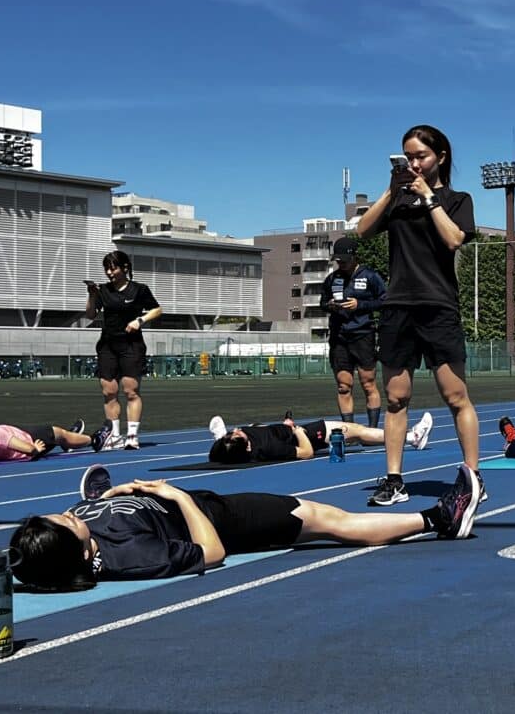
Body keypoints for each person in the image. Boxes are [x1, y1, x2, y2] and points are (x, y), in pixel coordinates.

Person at [7, 462, 481, 591]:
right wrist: (175, 495)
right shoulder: (130, 556)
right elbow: (211, 553)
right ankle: (439, 518)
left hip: (198, 505)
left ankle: (436, 517)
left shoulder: (75, 532)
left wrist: (110, 497)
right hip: (222, 520)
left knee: (324, 519)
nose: (62, 515)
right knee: (327, 520)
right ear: (74, 551)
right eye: (62, 522)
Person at [356, 124, 482, 508]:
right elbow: (362, 231)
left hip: (438, 305)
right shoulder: (396, 199)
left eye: (420, 157)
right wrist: (392, 190)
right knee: (396, 398)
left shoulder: (458, 199)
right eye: (408, 157)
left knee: (455, 395)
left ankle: (472, 478)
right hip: (398, 307)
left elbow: (454, 239)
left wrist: (428, 196)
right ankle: (394, 480)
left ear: (439, 157)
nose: (414, 163)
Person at [84, 251, 162, 450]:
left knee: (130, 390)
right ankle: (115, 435)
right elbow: (91, 314)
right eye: (107, 269)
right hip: (108, 345)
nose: (109, 272)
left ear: (125, 268)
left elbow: (157, 309)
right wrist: (92, 296)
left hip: (131, 345)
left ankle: (132, 435)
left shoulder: (139, 289)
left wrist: (140, 320)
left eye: (113, 268)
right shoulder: (103, 290)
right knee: (109, 391)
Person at [321, 237, 387, 428]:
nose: (341, 263)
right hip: (339, 337)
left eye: (344, 260)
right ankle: (349, 431)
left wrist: (361, 305)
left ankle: (372, 431)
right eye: (338, 260)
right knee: (343, 386)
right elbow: (322, 303)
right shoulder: (332, 278)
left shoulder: (370, 276)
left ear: (354, 256)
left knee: (368, 383)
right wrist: (330, 306)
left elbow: (385, 301)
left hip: (363, 334)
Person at [206, 412, 430, 464]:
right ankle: (413, 437)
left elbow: (259, 430)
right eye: (235, 434)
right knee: (358, 431)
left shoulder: (242, 443)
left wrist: (281, 426)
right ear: (246, 448)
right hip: (313, 435)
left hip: (286, 430)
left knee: (357, 435)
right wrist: (297, 432)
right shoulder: (271, 448)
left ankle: (411, 437)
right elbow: (306, 453)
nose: (236, 429)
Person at [0, 391, 108, 461]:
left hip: (11, 435)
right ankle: (94, 439)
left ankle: (69, 441)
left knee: (61, 437)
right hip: (27, 440)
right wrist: (35, 448)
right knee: (58, 433)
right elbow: (29, 449)